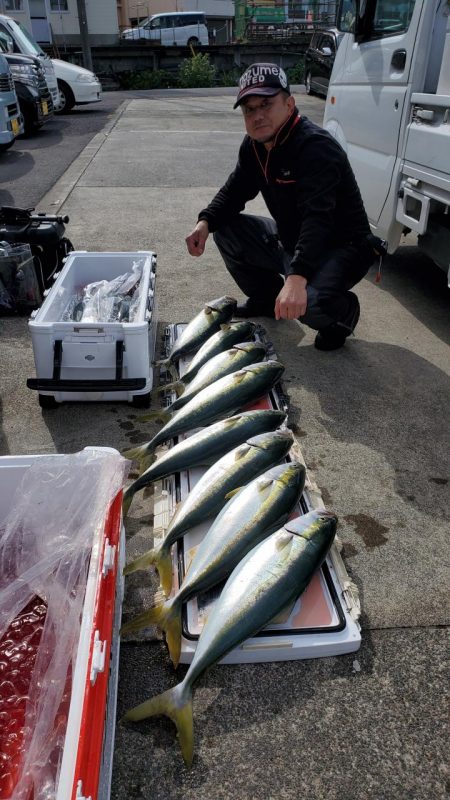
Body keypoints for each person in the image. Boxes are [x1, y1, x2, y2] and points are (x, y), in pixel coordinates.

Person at [186, 63, 382, 351]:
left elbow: (318, 219)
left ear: (289, 105)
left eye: (266, 104)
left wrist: (296, 278)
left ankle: (342, 316)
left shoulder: (315, 147)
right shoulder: (254, 146)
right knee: (225, 228)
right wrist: (205, 222)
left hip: (342, 246)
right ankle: (266, 299)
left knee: (308, 302)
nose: (257, 115)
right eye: (249, 109)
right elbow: (234, 191)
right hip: (292, 238)